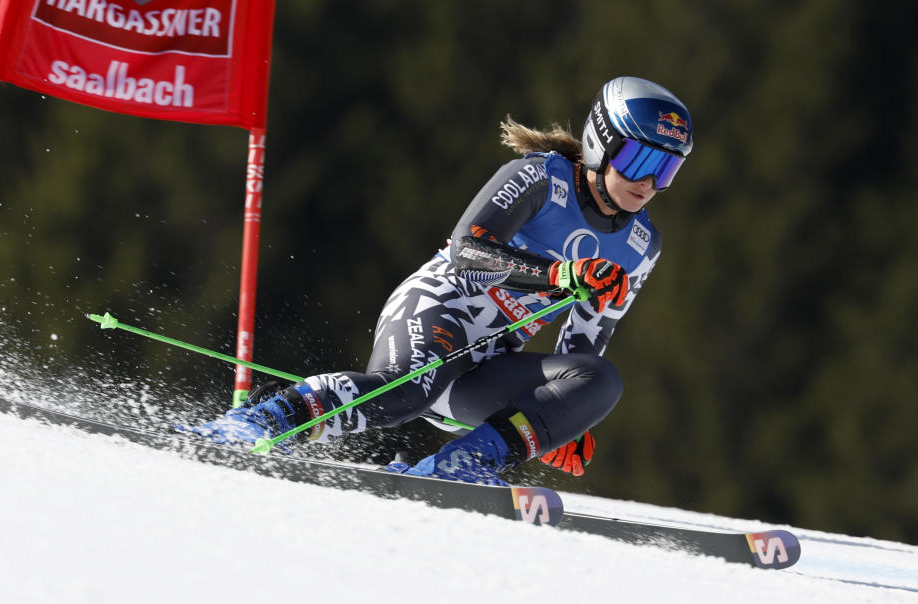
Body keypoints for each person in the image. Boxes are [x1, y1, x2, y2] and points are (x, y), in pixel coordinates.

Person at [180, 76, 694, 485]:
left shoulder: (640, 246)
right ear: (600, 144)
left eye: (667, 169)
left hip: (487, 367)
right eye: (639, 160)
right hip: (440, 309)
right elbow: (468, 252)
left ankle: (459, 468)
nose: (649, 184)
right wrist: (558, 275)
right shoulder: (543, 177)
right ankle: (260, 422)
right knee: (403, 395)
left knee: (601, 382)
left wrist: (560, 421)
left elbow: (584, 345)